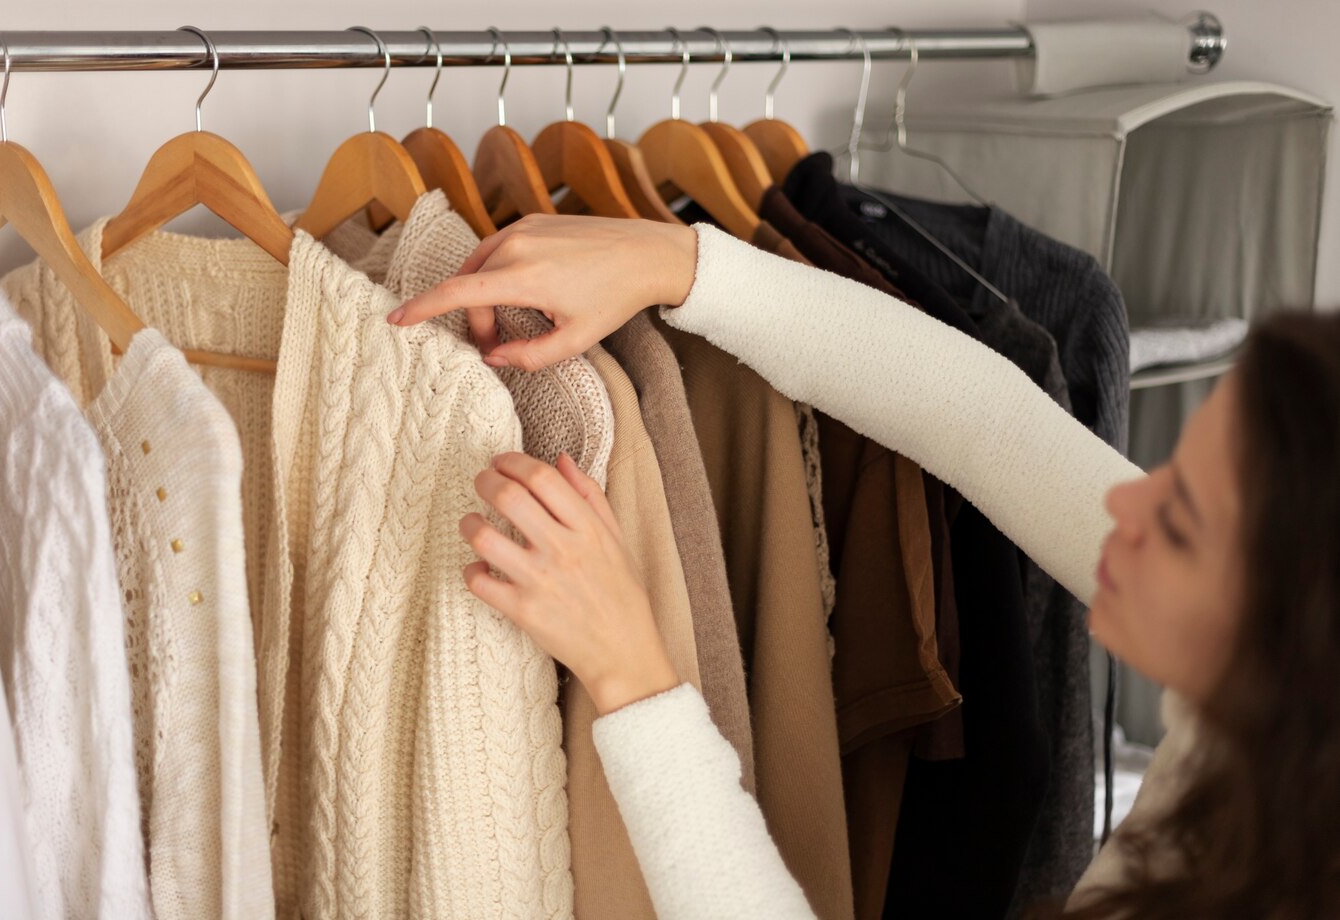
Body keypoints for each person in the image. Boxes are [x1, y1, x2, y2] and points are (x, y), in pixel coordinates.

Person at [387, 215, 1340, 918]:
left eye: (1175, 522)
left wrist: (635, 678)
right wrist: (675, 264)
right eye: (1163, 476)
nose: (1118, 505)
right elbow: (992, 428)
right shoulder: (1273, 729)